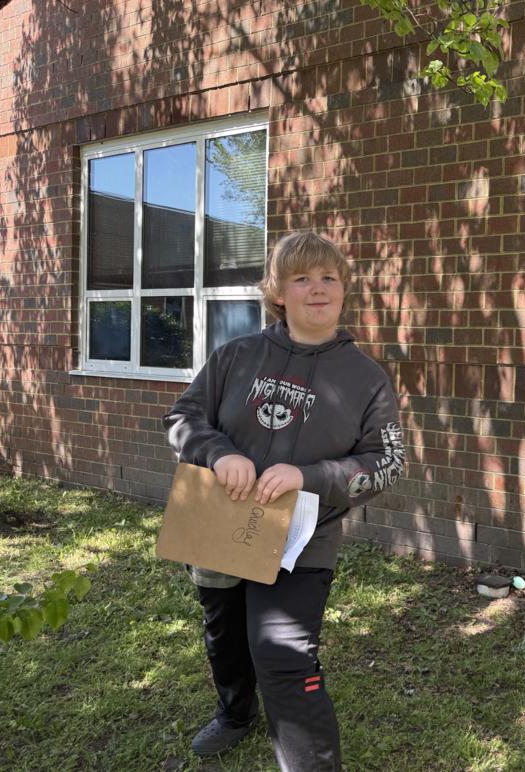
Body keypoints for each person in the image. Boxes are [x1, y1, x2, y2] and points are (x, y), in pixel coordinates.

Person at [163, 231, 405, 770]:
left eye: (329, 278)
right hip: (218, 521)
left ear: (344, 290)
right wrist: (218, 452)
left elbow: (387, 462)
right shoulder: (236, 356)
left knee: (283, 655)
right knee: (225, 632)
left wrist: (309, 476)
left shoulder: (366, 379)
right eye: (302, 278)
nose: (317, 289)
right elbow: (182, 417)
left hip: (301, 538)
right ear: (277, 292)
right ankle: (235, 713)